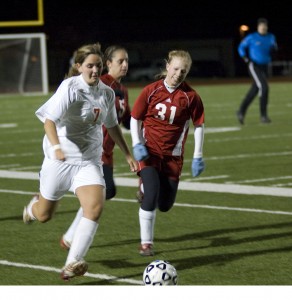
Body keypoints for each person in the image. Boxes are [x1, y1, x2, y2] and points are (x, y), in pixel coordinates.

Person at [22, 42, 137, 280]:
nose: (95, 71)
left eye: (98, 66)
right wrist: (56, 147)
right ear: (79, 67)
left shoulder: (106, 92)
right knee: (44, 215)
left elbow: (112, 125)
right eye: (89, 66)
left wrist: (127, 154)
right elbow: (49, 121)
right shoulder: (70, 87)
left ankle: (72, 262)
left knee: (94, 207)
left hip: (88, 161)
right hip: (60, 160)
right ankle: (31, 209)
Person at [130, 49, 205, 256]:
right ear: (167, 67)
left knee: (165, 205)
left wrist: (198, 155)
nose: (178, 73)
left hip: (173, 156)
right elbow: (135, 118)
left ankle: (146, 190)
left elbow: (199, 125)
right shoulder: (151, 90)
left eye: (184, 70)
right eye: (175, 68)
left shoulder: (191, 97)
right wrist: (137, 144)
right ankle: (146, 244)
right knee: (151, 195)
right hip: (149, 152)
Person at [59, 44, 131, 250]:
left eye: (127, 61)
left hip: (106, 151)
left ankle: (70, 236)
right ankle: (71, 237)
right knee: (101, 194)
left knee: (106, 193)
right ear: (107, 64)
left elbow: (124, 119)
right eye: (120, 61)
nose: (125, 65)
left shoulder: (122, 89)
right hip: (91, 150)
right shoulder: (101, 84)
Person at [236, 17, 278, 125]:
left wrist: (274, 50)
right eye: (261, 26)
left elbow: (274, 48)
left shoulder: (271, 37)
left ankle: (241, 111)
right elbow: (241, 47)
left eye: (265, 26)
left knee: (255, 89)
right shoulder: (252, 37)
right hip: (254, 66)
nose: (263, 28)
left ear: (267, 27)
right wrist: (246, 58)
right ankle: (263, 116)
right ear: (258, 27)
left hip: (265, 66)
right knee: (264, 87)